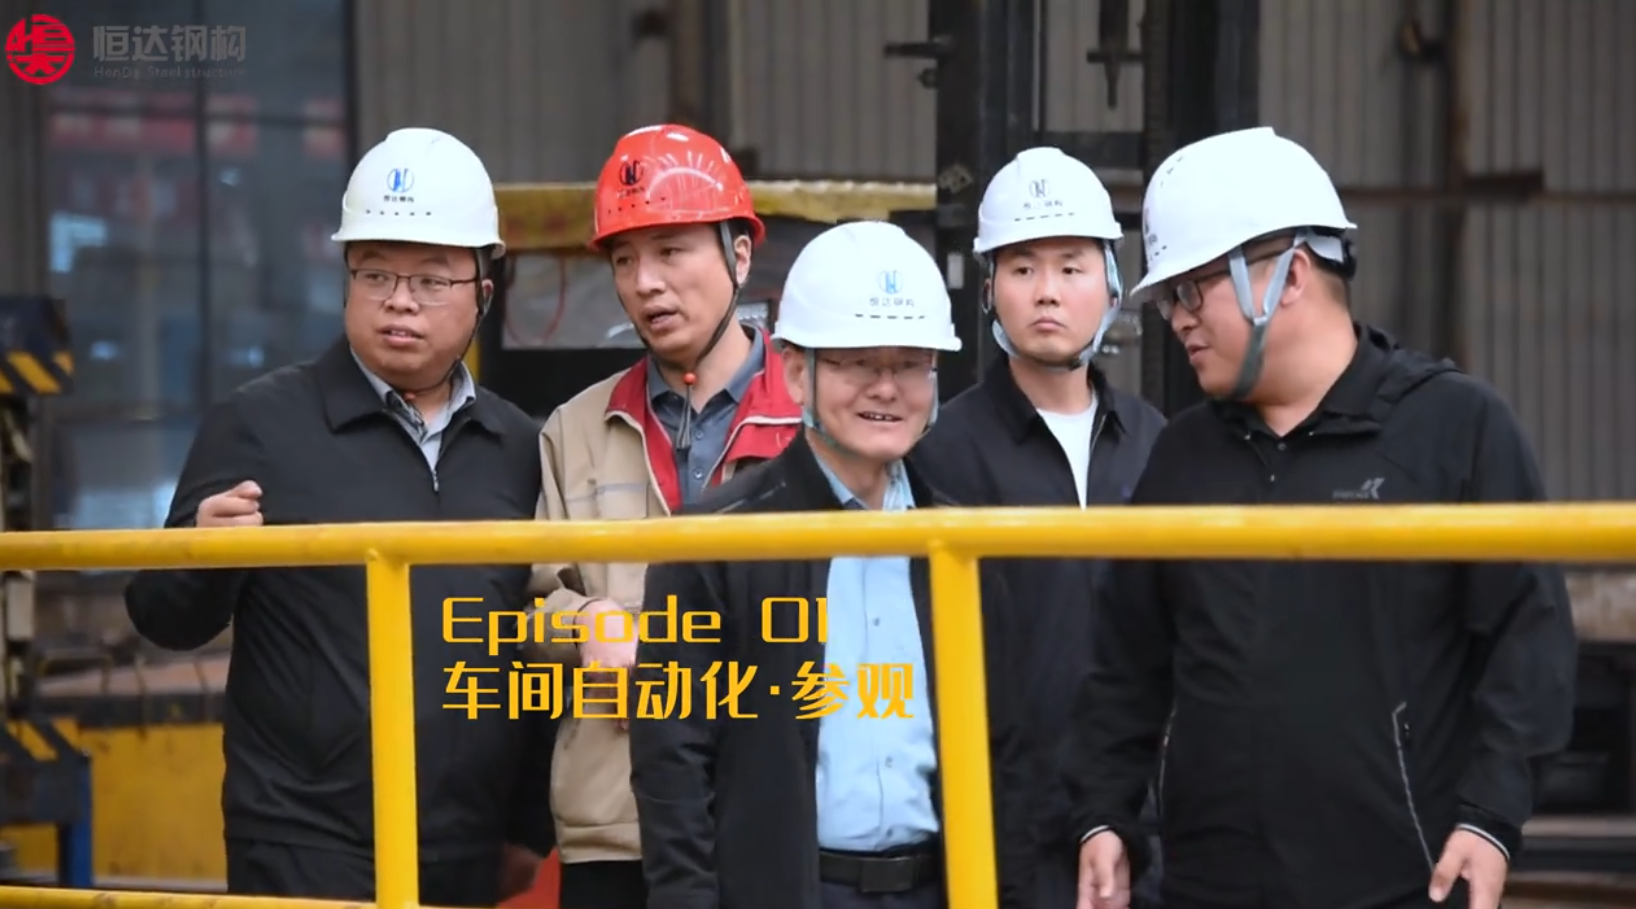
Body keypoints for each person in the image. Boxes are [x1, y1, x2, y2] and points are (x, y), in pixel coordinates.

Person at [1063, 126, 1579, 909]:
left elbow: (1527, 645)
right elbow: (1125, 664)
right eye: (1169, 298)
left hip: (1400, 888)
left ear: (1291, 274)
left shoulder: (1454, 431)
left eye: (1192, 289)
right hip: (1208, 892)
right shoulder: (1183, 458)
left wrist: (1490, 817)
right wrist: (1104, 814)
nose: (1178, 319)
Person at [123, 127, 555, 907]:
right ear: (347, 277)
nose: (399, 299)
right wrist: (197, 556)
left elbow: (534, 646)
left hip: (464, 846)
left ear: (483, 294)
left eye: (431, 279)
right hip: (303, 843)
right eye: (376, 272)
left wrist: (526, 823)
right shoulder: (261, 426)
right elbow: (162, 618)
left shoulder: (518, 448)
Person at [629, 220, 1034, 909]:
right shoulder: (717, 541)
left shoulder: (965, 542)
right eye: (857, 362)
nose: (887, 388)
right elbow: (672, 760)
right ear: (795, 371)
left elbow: (1007, 748)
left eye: (910, 364)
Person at [524, 123, 802, 909]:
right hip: (620, 823)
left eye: (672, 250)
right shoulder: (576, 429)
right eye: (624, 259)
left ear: (739, 256)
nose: (646, 283)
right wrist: (583, 623)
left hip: (782, 812)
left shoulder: (815, 418)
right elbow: (529, 606)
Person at [912, 146, 1166, 909]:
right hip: (1000, 837)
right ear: (989, 288)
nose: (1047, 291)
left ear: (1112, 282)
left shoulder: (1156, 443)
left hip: (1141, 834)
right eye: (1022, 268)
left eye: (1071, 266)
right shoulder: (938, 453)